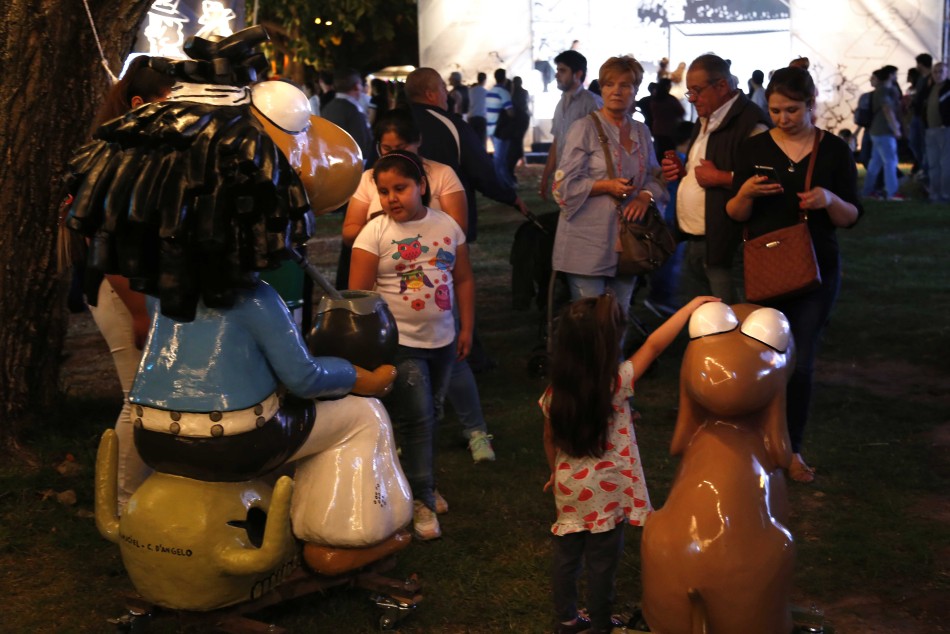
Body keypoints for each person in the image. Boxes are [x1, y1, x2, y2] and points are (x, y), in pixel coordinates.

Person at [541, 293, 720, 634]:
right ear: (607, 346)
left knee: (566, 559)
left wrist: (554, 471)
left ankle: (565, 620)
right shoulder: (616, 383)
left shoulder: (554, 394)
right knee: (602, 564)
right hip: (608, 495)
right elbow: (653, 345)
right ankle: (600, 624)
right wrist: (688, 307)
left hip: (569, 489)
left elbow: (550, 439)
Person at [725, 65, 864, 483]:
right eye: (775, 110)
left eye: (791, 110)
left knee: (800, 363)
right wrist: (745, 193)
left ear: (811, 105)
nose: (783, 119)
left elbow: (851, 216)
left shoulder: (835, 151)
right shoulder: (754, 150)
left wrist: (828, 198)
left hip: (815, 270)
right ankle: (756, 444)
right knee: (763, 359)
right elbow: (734, 213)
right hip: (766, 267)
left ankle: (792, 449)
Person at [350, 150, 475, 540]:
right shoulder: (375, 234)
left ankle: (413, 481)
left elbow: (464, 279)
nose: (391, 198)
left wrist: (466, 327)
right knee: (418, 420)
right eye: (384, 191)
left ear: (422, 185)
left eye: (400, 188)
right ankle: (420, 498)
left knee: (430, 415)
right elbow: (359, 295)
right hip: (400, 343)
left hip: (442, 340)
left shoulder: (448, 227)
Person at [73, 55, 175, 510]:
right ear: (140, 104)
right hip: (118, 288)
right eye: (170, 104)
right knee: (139, 399)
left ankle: (131, 497)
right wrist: (138, 310)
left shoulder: (139, 153)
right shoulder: (118, 157)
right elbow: (106, 241)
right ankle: (119, 503)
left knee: (143, 398)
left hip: (132, 285)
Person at [552, 56, 667, 312]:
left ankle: (616, 354)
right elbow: (562, 188)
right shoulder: (583, 129)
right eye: (609, 84)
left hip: (629, 243)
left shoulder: (641, 131)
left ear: (636, 90)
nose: (617, 90)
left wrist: (644, 195)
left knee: (619, 315)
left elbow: (654, 175)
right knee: (590, 321)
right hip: (587, 241)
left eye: (625, 85)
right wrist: (606, 186)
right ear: (601, 88)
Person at [660, 53, 771, 305]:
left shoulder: (751, 123)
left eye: (697, 91)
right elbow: (702, 172)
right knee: (706, 318)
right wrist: (683, 173)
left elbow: (766, 180)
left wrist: (721, 178)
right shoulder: (705, 119)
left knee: (733, 319)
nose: (693, 99)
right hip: (696, 238)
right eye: (689, 93)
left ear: (721, 86)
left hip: (727, 243)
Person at [540, 50, 602, 202]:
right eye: (557, 70)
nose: (557, 75)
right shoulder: (560, 103)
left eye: (562, 70)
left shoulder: (592, 103)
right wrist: (546, 176)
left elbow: (602, 144)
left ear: (578, 74)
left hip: (586, 181)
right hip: (564, 179)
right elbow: (557, 142)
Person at [860, 67, 904, 201]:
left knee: (876, 163)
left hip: (876, 131)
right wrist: (896, 128)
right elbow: (887, 110)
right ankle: (892, 192)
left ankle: (867, 191)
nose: (897, 77)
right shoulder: (884, 91)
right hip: (884, 131)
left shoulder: (881, 91)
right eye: (895, 74)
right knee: (890, 161)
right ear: (890, 75)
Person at [486, 68, 517, 189]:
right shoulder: (503, 92)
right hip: (500, 130)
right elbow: (510, 112)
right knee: (499, 159)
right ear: (504, 78)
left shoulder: (490, 91)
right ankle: (497, 184)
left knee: (501, 158)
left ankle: (508, 183)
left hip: (490, 129)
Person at [923, 61, 949, 203]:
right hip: (930, 130)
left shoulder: (947, 88)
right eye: (935, 72)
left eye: (941, 71)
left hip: (944, 130)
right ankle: (935, 194)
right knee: (933, 164)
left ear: (947, 73)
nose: (938, 74)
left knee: (945, 163)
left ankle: (946, 194)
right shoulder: (930, 89)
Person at [649, 77, 686, 159]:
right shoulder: (670, 99)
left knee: (659, 151)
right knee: (670, 153)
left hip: (657, 129)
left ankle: (660, 169)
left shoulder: (654, 99)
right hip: (670, 129)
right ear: (667, 86)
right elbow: (681, 112)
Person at [506, 76, 531, 180]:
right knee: (519, 139)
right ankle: (522, 159)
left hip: (517, 119)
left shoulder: (511, 94)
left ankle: (520, 159)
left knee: (517, 140)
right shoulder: (524, 92)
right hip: (525, 117)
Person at [468, 72, 489, 145]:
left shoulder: (470, 91)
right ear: (485, 80)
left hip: (471, 118)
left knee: (472, 141)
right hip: (482, 119)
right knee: (482, 142)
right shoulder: (486, 92)